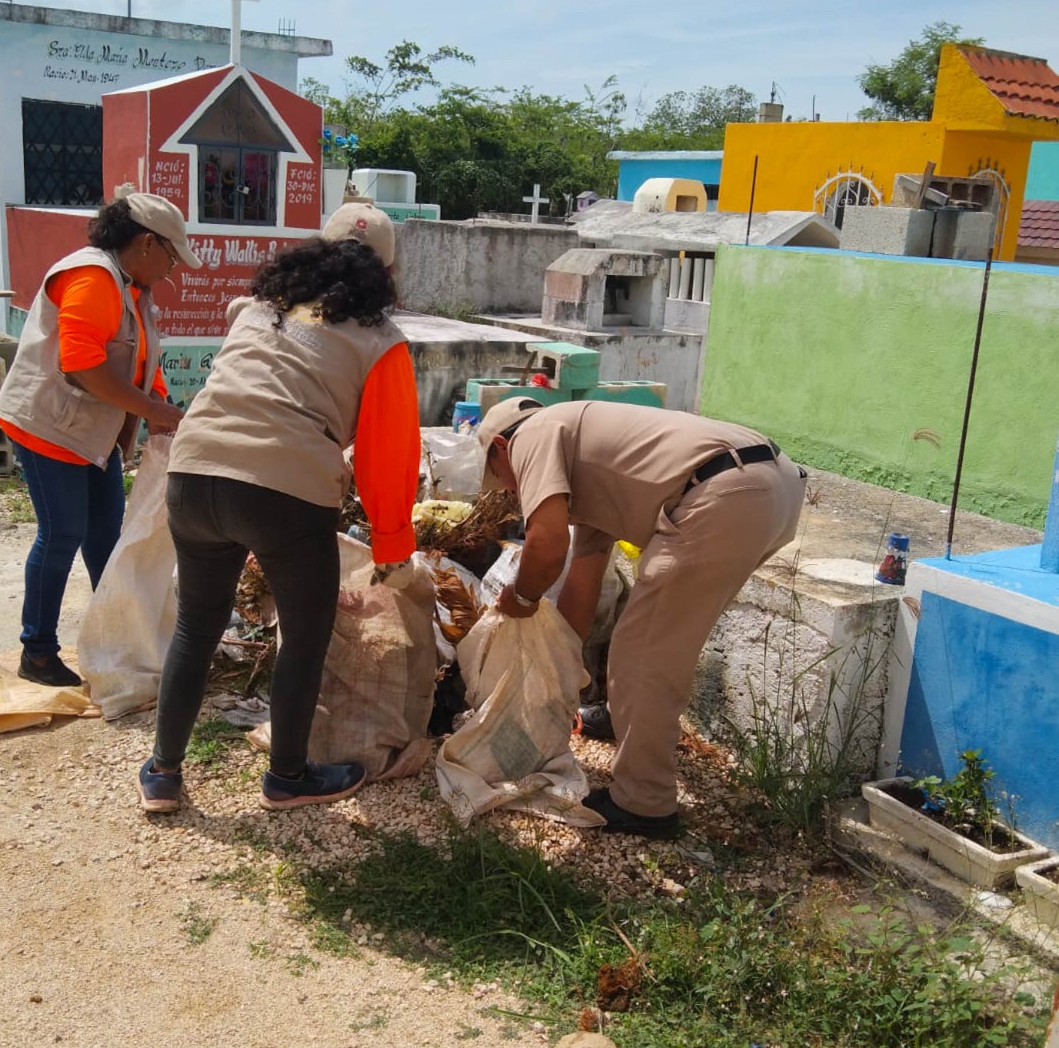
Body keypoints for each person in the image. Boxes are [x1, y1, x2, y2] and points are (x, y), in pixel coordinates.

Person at [138, 202, 421, 816]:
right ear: (386, 274)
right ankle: (288, 776)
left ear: (313, 254)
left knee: (196, 625)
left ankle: (163, 773)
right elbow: (387, 456)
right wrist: (395, 547)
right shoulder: (380, 342)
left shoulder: (255, 309)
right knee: (303, 636)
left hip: (193, 470)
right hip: (283, 486)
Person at [479, 398, 806, 838]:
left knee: (644, 653)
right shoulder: (584, 457)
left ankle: (644, 803)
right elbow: (583, 578)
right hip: (771, 487)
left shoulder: (533, 435)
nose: (510, 494)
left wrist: (521, 598)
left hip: (723, 491)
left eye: (501, 481)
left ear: (501, 447)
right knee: (661, 638)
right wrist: (560, 668)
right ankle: (623, 718)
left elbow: (548, 544)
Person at [0, 187, 195, 688]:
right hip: (48, 426)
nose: (172, 270)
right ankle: (37, 652)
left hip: (91, 434)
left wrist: (159, 408)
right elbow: (81, 366)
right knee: (62, 534)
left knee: (108, 539)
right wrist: (150, 409)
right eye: (171, 257)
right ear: (147, 243)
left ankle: (120, 640)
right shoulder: (91, 276)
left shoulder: (131, 288)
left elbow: (139, 359)